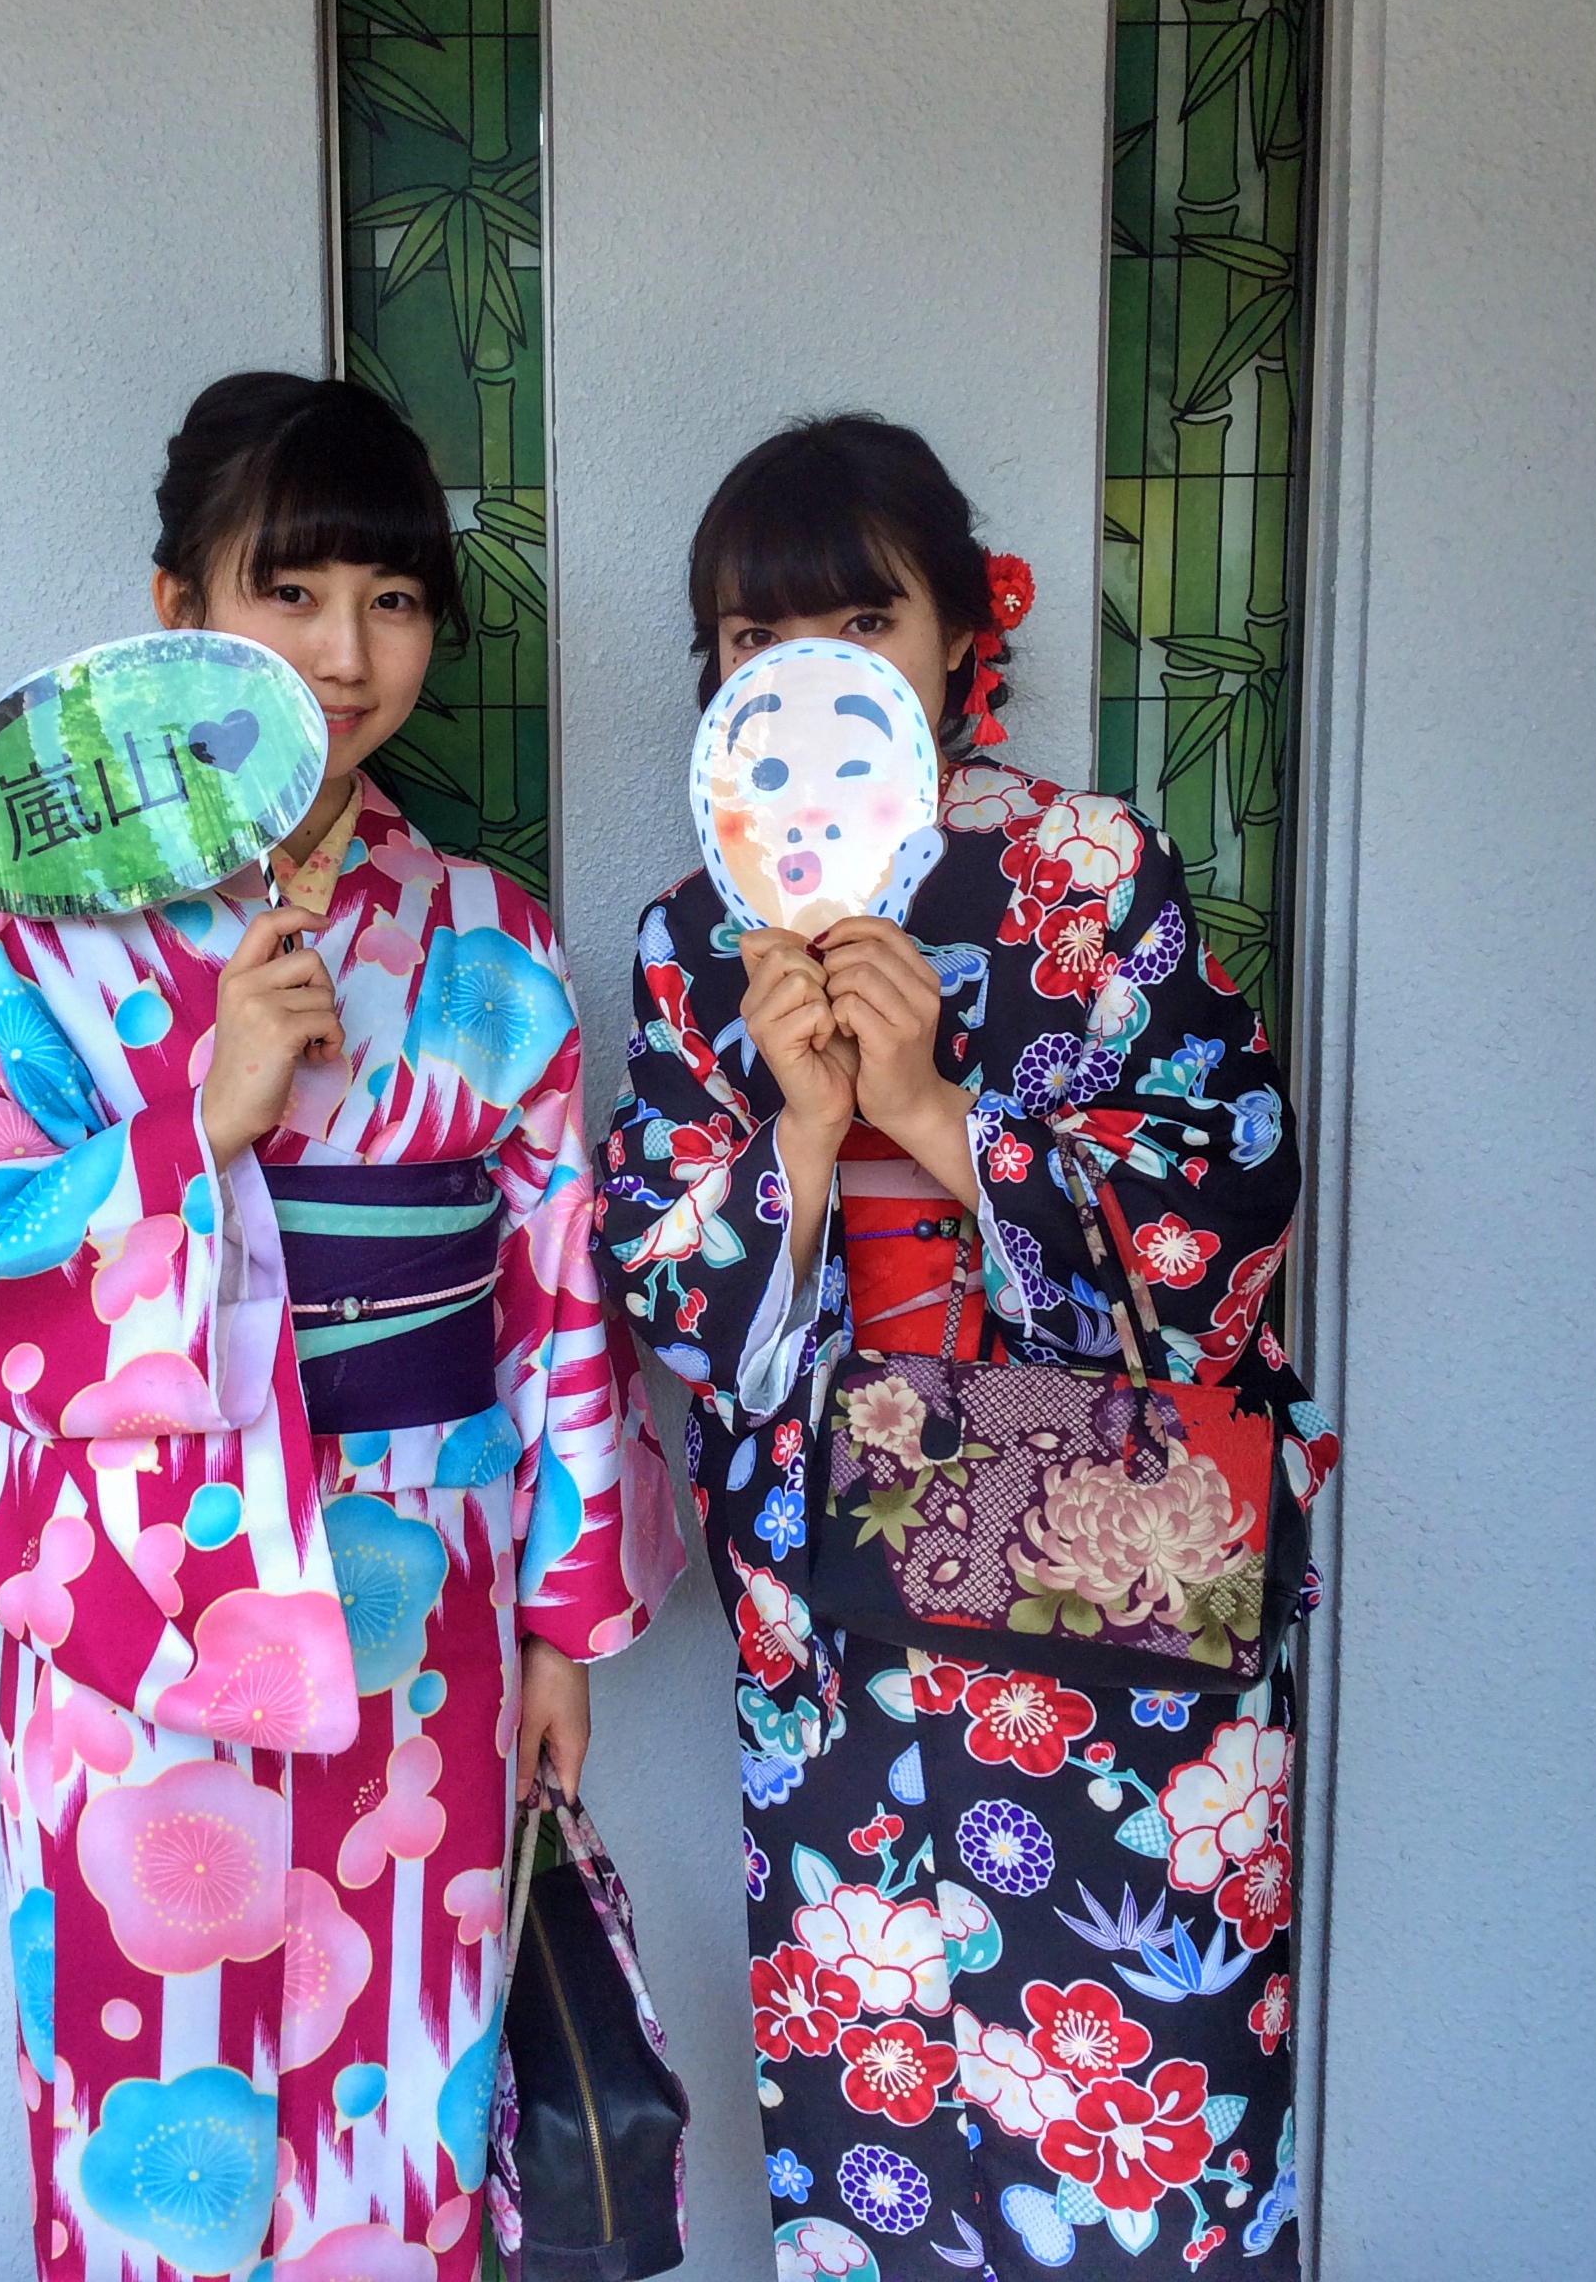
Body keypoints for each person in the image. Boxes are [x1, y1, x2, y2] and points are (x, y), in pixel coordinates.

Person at [0, 373, 684, 2282]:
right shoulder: (29, 932)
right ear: (176, 613)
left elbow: (556, 1283)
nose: (346, 652)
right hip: (139, 1609)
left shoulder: (487, 932)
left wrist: (561, 1625)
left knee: (410, 2088)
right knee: (152, 2111)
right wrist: (189, 1131)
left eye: (392, 600)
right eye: (288, 592)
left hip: (430, 1598)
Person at [592, 416, 1335, 2282]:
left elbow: (1227, 1189)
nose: (809, 670)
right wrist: (802, 1134)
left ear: (957, 640)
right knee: (878, 2102)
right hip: (839, 1605)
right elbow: (664, 1277)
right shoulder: (694, 935)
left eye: (860, 621)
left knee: (1140, 2086)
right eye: (755, 640)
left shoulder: (1090, 871)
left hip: (1097, 1580)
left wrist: (936, 1113)